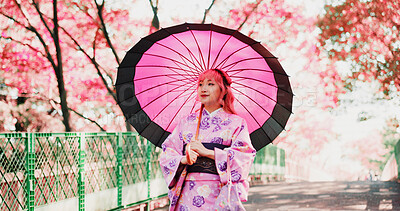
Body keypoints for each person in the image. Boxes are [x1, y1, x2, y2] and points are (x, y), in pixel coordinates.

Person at [159, 69, 256, 210]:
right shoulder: (186, 123)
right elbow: (168, 153)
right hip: (189, 193)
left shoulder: (236, 123)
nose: (203, 89)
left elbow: (244, 157)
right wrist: (184, 160)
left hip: (219, 191)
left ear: (223, 91)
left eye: (210, 84)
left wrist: (208, 153)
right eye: (200, 84)